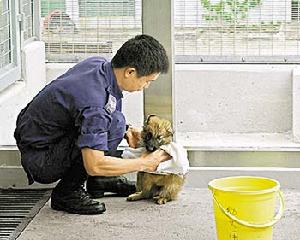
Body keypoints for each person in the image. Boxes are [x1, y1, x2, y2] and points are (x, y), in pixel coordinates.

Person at [14, 34, 171, 215]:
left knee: (118, 123)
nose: (147, 86)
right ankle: (67, 193)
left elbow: (93, 113)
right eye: (147, 81)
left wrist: (126, 130)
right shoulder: (95, 106)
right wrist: (144, 163)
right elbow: (94, 164)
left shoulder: (99, 65)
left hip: (38, 134)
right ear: (130, 72)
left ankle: (99, 182)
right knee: (107, 127)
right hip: (41, 158)